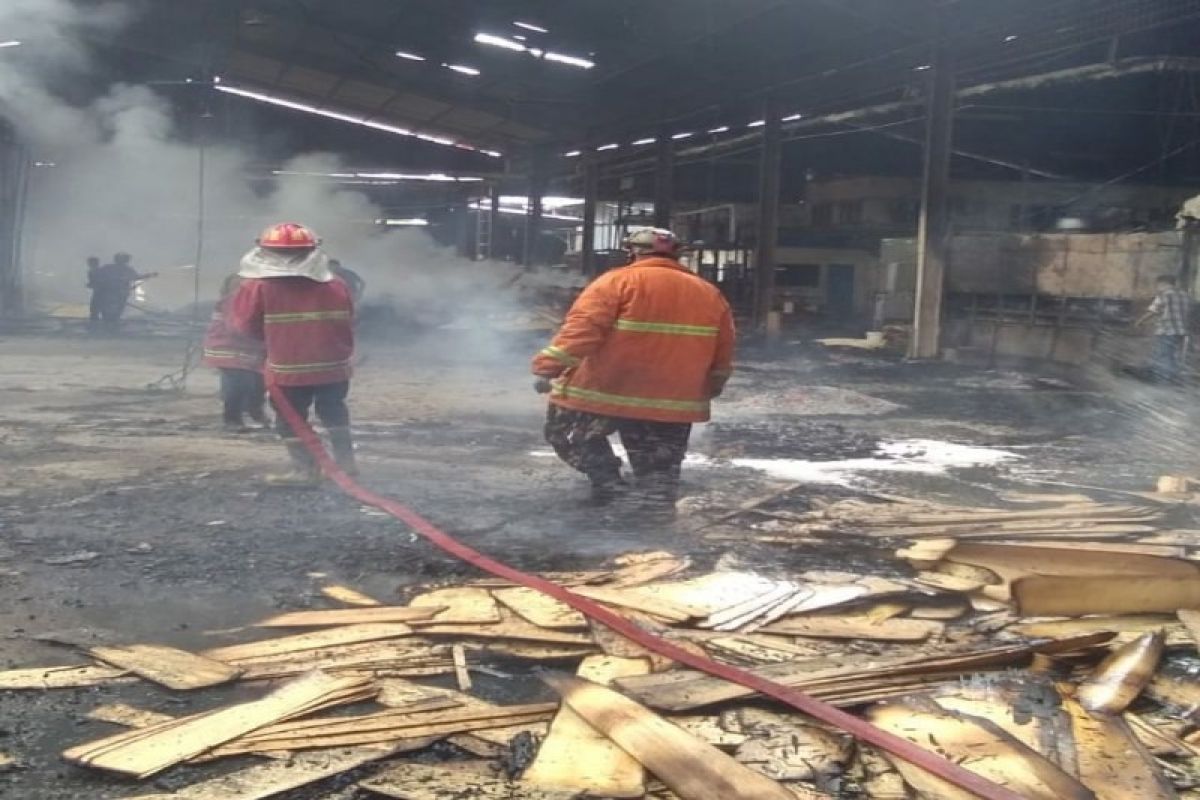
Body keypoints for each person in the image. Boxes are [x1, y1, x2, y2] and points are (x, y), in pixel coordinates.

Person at [531, 227, 735, 506]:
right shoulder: (709, 293)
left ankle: (610, 486)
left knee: (566, 432)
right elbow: (724, 348)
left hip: (608, 392)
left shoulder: (615, 282)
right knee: (659, 468)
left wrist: (548, 367)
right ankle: (655, 518)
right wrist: (712, 385)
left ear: (632, 252)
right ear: (677, 255)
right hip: (673, 400)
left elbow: (582, 331)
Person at [228, 222, 357, 484]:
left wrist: (271, 342)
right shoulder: (337, 284)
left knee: (290, 417)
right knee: (334, 410)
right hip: (334, 365)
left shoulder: (258, 287)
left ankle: (305, 470)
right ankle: (346, 464)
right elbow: (350, 318)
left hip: (289, 368)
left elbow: (243, 326)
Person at [202, 273, 268, 432]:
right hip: (227, 347)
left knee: (257, 384)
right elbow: (236, 327)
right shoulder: (233, 301)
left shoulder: (252, 299)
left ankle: (255, 413)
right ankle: (232, 419)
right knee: (240, 383)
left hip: (248, 349)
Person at [1136, 274, 1191, 383]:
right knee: (1172, 354)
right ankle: (1172, 377)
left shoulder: (1163, 295)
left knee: (1163, 354)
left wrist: (1140, 321)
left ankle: (1164, 379)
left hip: (1166, 330)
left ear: (1163, 283)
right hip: (1180, 331)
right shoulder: (1184, 295)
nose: (1157, 287)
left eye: (1158, 285)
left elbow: (1153, 311)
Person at [89, 253, 156, 332]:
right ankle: (107, 327)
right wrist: (149, 275)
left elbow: (96, 275)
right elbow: (137, 277)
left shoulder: (109, 268)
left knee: (100, 314)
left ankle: (100, 327)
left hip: (113, 294)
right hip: (113, 294)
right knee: (105, 314)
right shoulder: (124, 269)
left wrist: (149, 275)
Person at [85, 256, 102, 328]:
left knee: (94, 308)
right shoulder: (92, 271)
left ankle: (94, 324)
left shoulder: (95, 271)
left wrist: (90, 285)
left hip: (100, 292)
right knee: (95, 308)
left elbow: (96, 282)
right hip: (98, 291)